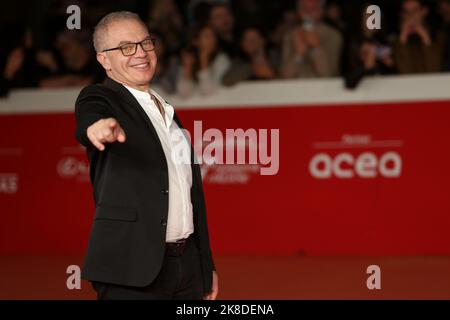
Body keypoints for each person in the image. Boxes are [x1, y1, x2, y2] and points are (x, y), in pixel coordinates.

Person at [74, 11, 218, 300]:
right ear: (104, 60)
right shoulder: (101, 98)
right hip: (130, 270)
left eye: (146, 43)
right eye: (126, 47)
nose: (140, 53)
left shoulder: (168, 113)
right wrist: (97, 128)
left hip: (187, 268)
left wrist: (205, 266)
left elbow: (192, 199)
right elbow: (90, 116)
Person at [280, 0, 343, 78]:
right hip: (294, 88)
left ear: (322, 10)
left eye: (314, 8)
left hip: (323, 89)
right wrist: (298, 55)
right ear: (298, 11)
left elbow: (328, 74)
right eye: (305, 8)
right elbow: (284, 76)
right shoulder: (289, 36)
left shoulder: (333, 35)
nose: (309, 12)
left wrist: (315, 48)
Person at [394, 0, 445, 73]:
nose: (410, 15)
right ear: (402, 15)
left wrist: (426, 38)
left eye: (414, 10)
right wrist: (403, 38)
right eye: (406, 12)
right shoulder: (396, 40)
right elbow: (404, 71)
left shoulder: (439, 36)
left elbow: (434, 69)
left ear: (424, 11)